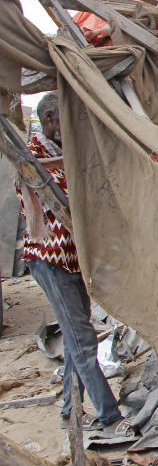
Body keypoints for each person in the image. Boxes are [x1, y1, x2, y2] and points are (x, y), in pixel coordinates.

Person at [15, 93, 122, 431]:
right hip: (51, 261)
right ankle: (110, 416)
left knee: (81, 335)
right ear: (48, 118)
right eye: (63, 121)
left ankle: (68, 411)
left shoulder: (61, 153)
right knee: (82, 340)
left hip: (74, 259)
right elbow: (72, 194)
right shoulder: (33, 156)